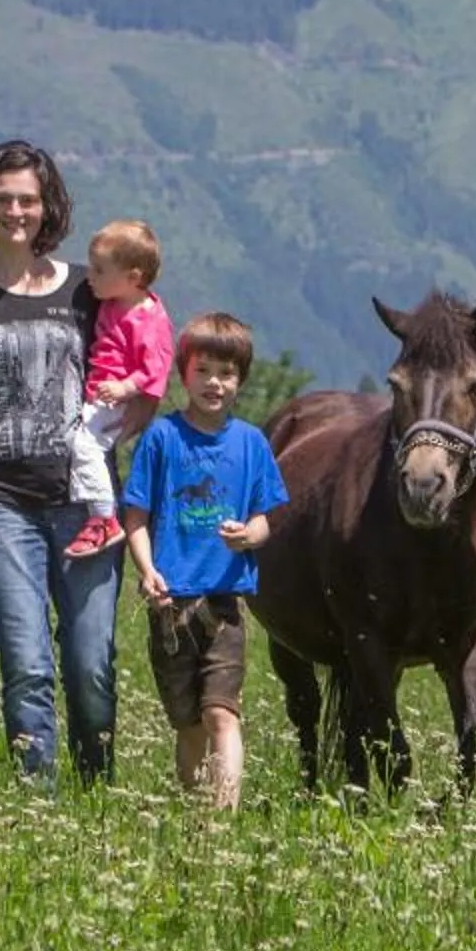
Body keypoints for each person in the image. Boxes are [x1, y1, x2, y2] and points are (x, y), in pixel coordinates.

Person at [0, 139, 124, 786]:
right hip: (1, 501)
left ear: (49, 206)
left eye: (28, 200)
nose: (16, 211)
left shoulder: (89, 291)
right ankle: (34, 802)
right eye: (4, 199)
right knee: (27, 662)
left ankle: (96, 790)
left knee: (90, 661)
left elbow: (139, 367)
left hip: (85, 505)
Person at [120, 312, 286, 808]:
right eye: (203, 370)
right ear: (183, 372)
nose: (214, 382)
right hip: (170, 605)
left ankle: (224, 815)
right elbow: (136, 517)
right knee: (187, 723)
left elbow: (266, 519)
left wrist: (249, 536)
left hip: (224, 605)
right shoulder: (161, 439)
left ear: (241, 380)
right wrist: (147, 570)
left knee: (222, 713)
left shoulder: (252, 444)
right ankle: (194, 808)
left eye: (227, 373)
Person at [62, 218, 176, 560]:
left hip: (116, 396)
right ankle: (96, 512)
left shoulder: (148, 318)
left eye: (99, 270)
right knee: (81, 443)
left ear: (133, 278)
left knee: (85, 447)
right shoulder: (114, 303)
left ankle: (104, 518)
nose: (89, 276)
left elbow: (155, 367)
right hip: (102, 391)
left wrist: (126, 388)